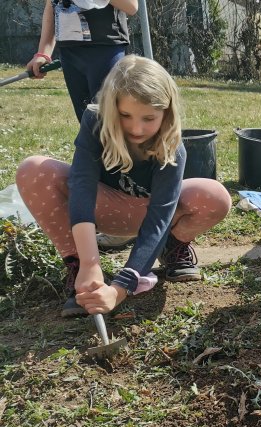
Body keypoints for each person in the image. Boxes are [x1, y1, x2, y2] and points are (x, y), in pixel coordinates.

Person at [16, 55, 232, 317]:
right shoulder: (95, 122)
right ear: (110, 107)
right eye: (125, 115)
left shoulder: (173, 147)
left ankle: (170, 245)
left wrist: (120, 289)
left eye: (148, 118)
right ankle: (77, 269)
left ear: (167, 113)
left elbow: (159, 218)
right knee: (33, 170)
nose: (136, 128)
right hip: (103, 208)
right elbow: (82, 187)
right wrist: (89, 263)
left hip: (149, 215)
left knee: (216, 196)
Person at [27, 0, 140, 249]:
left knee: (111, 130)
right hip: (71, 54)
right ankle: (108, 214)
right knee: (90, 131)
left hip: (106, 49)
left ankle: (132, 214)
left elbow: (132, 7)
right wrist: (43, 51)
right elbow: (51, 6)